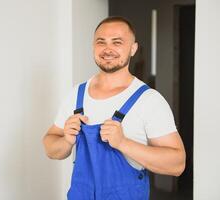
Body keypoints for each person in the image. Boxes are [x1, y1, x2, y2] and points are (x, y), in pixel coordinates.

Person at [42, 16, 186, 200]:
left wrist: (123, 143)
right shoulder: (76, 94)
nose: (107, 49)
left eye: (117, 42)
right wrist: (66, 140)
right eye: (101, 42)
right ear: (93, 47)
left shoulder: (149, 100)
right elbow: (50, 147)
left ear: (133, 49)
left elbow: (177, 164)